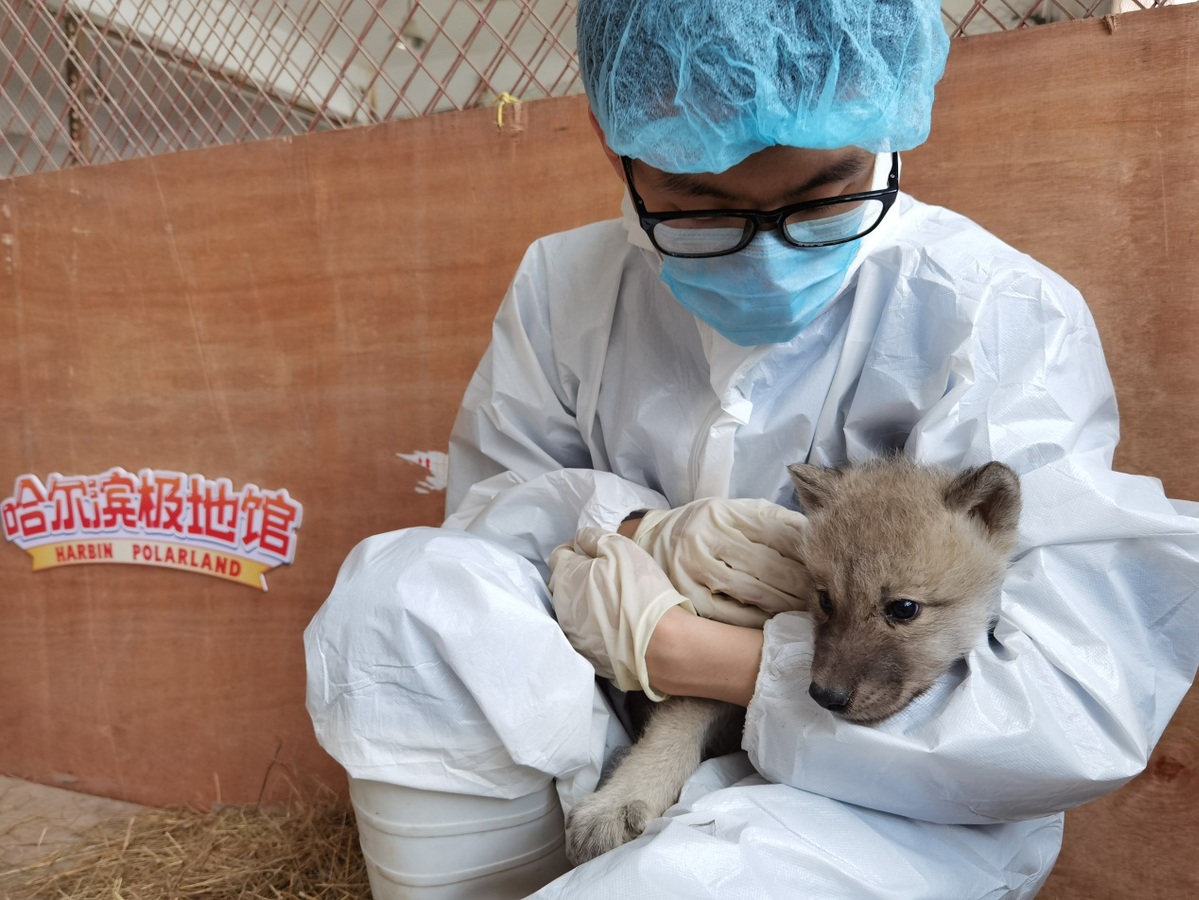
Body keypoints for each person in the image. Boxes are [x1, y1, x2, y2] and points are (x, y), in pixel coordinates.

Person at [304, 1, 1199, 896]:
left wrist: (691, 653)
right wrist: (633, 530)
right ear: (611, 134)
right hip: (603, 714)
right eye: (700, 206)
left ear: (884, 123)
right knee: (400, 591)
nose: (767, 256)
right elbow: (486, 520)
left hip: (884, 794)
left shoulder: (995, 312)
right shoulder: (561, 284)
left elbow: (1070, 712)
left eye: (823, 198)